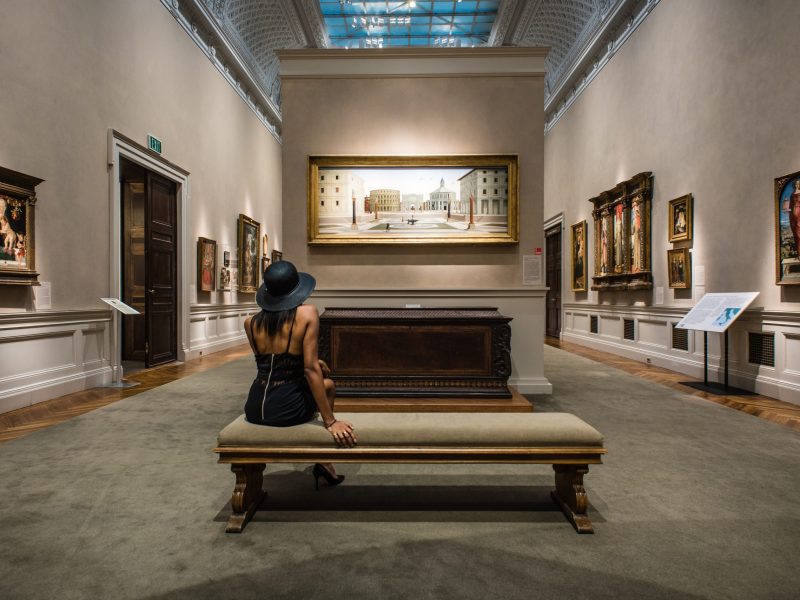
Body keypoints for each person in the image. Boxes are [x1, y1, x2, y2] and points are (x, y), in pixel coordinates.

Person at [243, 260, 356, 489]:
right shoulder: (307, 313)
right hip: (286, 410)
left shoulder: (250, 322)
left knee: (317, 374)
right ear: (296, 292)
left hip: (254, 407)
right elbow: (309, 369)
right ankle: (324, 461)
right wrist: (331, 421)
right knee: (329, 385)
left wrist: (313, 361)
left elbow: (271, 364)